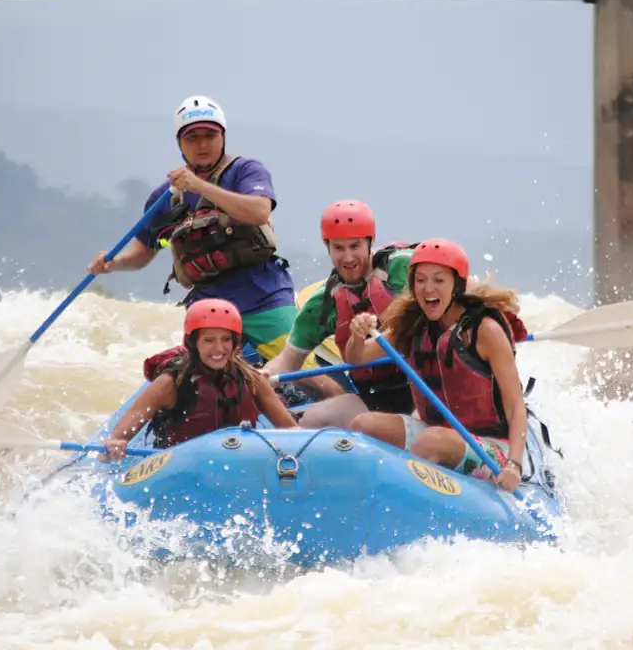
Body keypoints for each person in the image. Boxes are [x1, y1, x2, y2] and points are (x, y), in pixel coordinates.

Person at [86, 94, 342, 399]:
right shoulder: (163, 198)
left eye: (210, 135)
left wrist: (199, 186)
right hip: (207, 306)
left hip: (264, 296)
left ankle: (343, 417)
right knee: (192, 388)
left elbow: (260, 211)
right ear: (180, 144)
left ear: (222, 137)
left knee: (311, 378)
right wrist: (113, 264)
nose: (202, 144)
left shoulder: (245, 171)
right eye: (192, 137)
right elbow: (144, 253)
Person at [345, 238, 531, 493]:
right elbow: (357, 358)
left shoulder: (485, 330)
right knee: (363, 425)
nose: (428, 289)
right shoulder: (413, 323)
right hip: (434, 431)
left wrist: (514, 465)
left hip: (492, 445)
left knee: (431, 443)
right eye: (420, 280)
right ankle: (368, 494)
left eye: (439, 280)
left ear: (457, 285)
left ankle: (403, 499)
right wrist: (357, 335)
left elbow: (515, 406)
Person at [261, 200, 416, 429]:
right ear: (328, 247)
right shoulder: (323, 302)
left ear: (370, 242)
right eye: (339, 248)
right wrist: (261, 377)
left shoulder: (404, 267)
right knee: (315, 419)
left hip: (421, 388)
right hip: (371, 399)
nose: (348, 258)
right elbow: (287, 361)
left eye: (355, 246)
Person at [101, 299, 299, 461]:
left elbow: (292, 432)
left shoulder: (252, 379)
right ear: (193, 343)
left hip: (237, 465)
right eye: (209, 340)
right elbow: (117, 439)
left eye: (226, 339)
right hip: (179, 469)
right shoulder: (169, 384)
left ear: (235, 342)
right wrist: (113, 447)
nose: (219, 349)